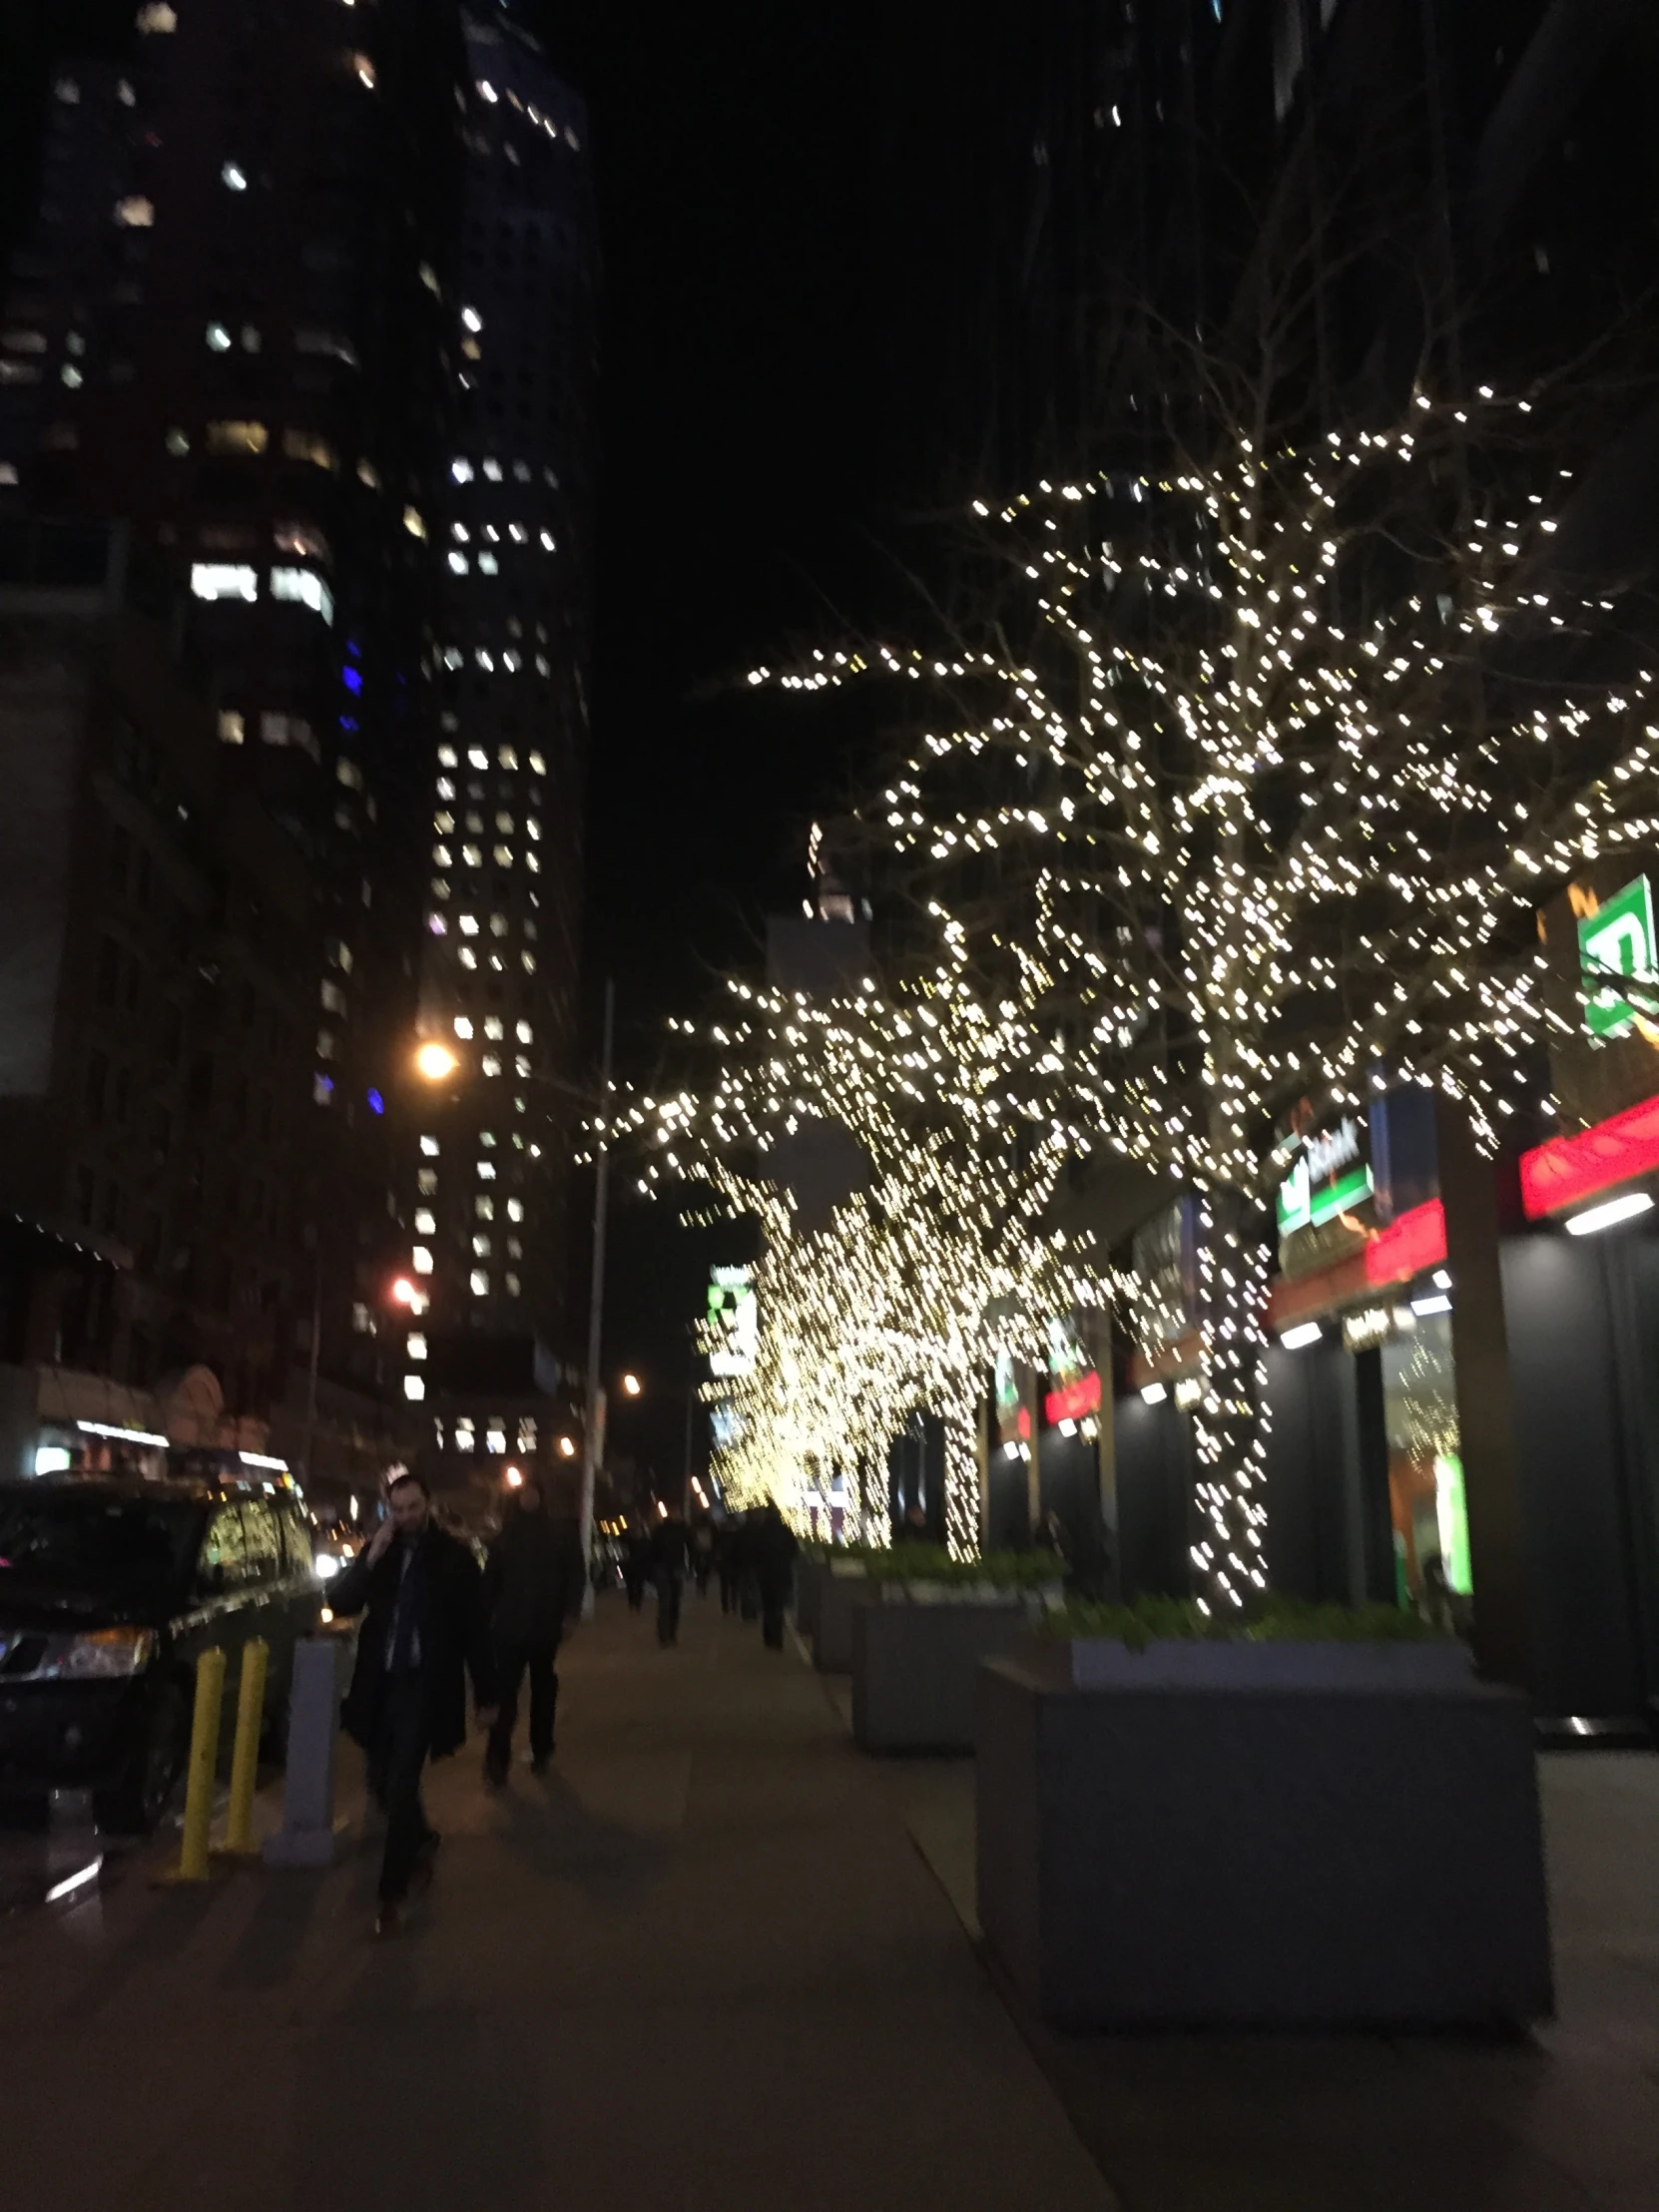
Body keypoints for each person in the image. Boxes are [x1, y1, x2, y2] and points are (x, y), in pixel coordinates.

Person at [329, 1472, 495, 1937]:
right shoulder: (380, 1552)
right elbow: (339, 1600)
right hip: (379, 1684)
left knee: (402, 1782)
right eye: (397, 1510)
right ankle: (421, 1838)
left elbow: (475, 1630)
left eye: (413, 1508)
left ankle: (391, 1895)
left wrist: (487, 1694)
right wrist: (369, 1559)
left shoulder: (454, 1557)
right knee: (382, 1783)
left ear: (429, 1503)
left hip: (425, 1686)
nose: (406, 1517)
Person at [481, 1474, 585, 1787]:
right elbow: (491, 1582)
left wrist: (569, 1615)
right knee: (506, 1696)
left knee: (543, 1692)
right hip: (510, 1629)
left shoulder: (559, 1534)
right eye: (524, 1494)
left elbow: (574, 1576)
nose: (529, 1499)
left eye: (533, 1493)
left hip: (544, 1628)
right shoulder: (506, 1536)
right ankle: (497, 1759)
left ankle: (541, 1749)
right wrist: (486, 1619)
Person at [751, 1499, 799, 1650]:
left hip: (765, 1575)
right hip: (782, 1573)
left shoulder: (761, 1531)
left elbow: (755, 1553)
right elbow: (794, 1552)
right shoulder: (786, 1531)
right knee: (779, 1606)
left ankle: (768, 1636)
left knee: (767, 1606)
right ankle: (778, 1638)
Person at [649, 1502, 690, 1646]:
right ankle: (666, 1635)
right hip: (666, 1568)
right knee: (668, 1603)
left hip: (671, 1568)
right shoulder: (665, 1530)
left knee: (671, 1604)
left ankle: (668, 1635)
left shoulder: (677, 1529)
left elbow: (690, 1546)